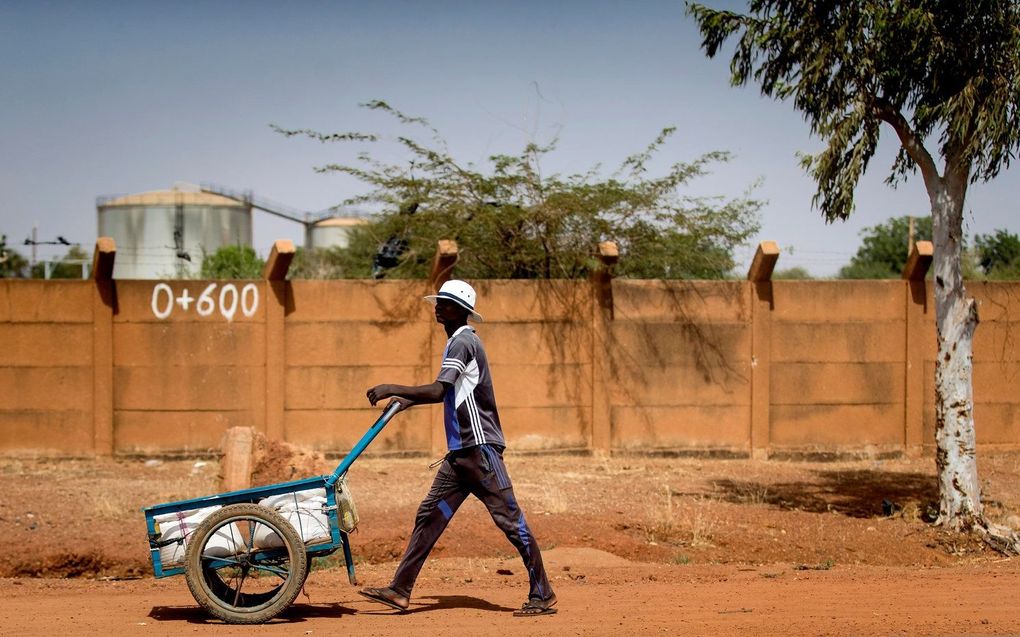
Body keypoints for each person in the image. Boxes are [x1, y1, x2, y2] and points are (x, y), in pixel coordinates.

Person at [359, 279, 557, 617]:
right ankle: (400, 590)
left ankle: (543, 593)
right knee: (429, 516)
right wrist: (405, 400)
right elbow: (450, 392)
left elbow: (439, 391)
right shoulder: (457, 342)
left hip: (480, 452)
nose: (438, 307)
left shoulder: (463, 342)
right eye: (438, 302)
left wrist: (393, 386)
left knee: (510, 521)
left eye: (445, 303)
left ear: (462, 311)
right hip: (460, 456)